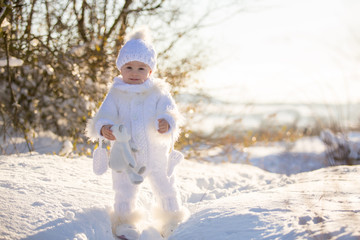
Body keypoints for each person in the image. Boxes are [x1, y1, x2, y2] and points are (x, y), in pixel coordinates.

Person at [85, 28, 187, 239]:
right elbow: (103, 116)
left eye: (141, 68)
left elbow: (171, 111)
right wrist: (104, 128)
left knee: (166, 187)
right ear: (120, 68)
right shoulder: (116, 93)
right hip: (125, 155)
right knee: (124, 190)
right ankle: (125, 223)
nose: (134, 72)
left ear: (150, 71)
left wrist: (166, 122)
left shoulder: (159, 91)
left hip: (156, 154)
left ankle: (171, 220)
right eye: (129, 67)